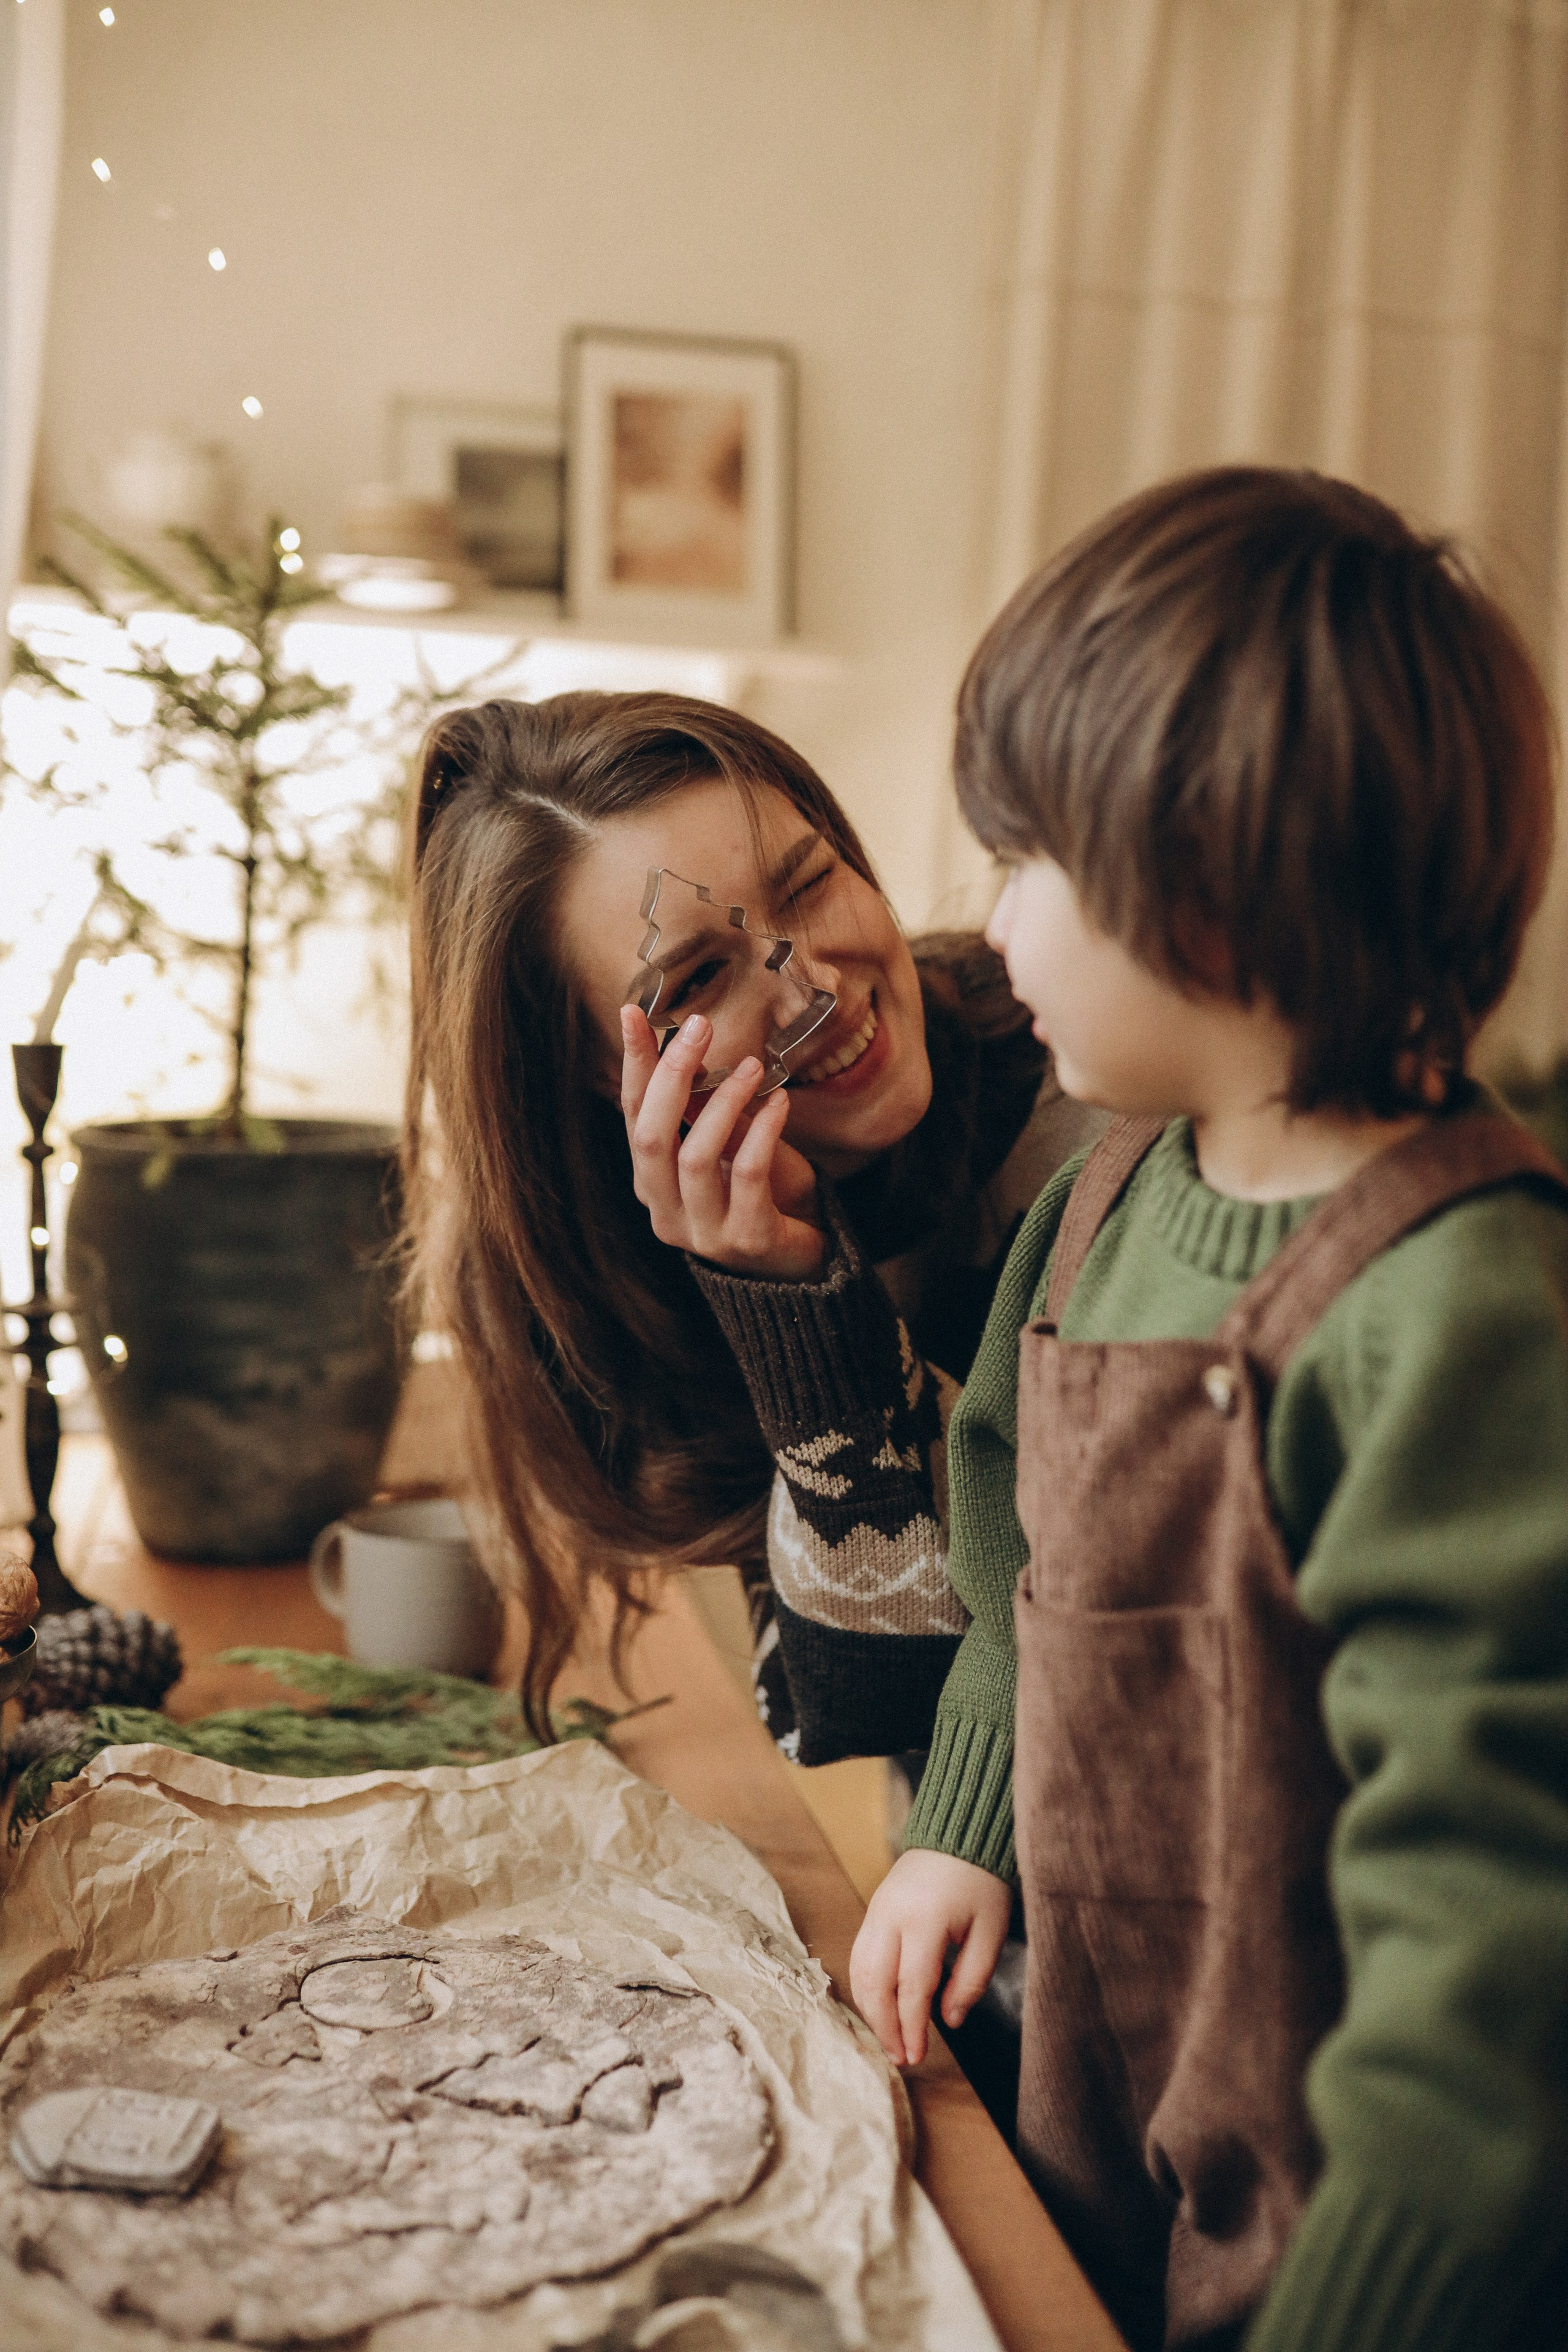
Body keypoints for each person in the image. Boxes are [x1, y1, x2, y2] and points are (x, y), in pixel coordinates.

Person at [848, 469, 1568, 2351]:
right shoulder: (1104, 1198)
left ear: (1213, 900)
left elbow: (1494, 1936)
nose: (992, 924)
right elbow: (1020, 1555)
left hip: (1363, 2224)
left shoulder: (1458, 1308)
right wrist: (965, 1825)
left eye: (1026, 863)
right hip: (1112, 2089)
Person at [401, 692, 1098, 1762]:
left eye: (810, 885)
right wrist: (794, 1311)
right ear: (593, 1071)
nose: (811, 987)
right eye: (697, 979)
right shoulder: (633, 1264)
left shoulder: (1097, 1086)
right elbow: (863, 1714)